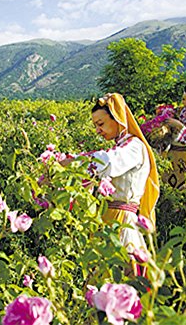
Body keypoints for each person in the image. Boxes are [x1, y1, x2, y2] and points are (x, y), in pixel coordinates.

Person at [65, 93, 160, 276]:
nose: (98, 130)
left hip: (122, 220)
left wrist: (71, 163)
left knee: (120, 272)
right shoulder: (121, 146)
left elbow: (108, 162)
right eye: (95, 126)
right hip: (109, 217)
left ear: (117, 118)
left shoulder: (134, 147)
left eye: (101, 124)